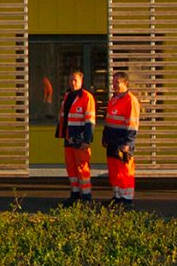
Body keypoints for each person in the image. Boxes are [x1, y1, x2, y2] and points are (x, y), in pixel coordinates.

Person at [57, 69, 95, 204]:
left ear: (81, 81)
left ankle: (86, 197)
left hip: (80, 138)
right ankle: (75, 194)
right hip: (69, 137)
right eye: (70, 80)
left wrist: (87, 139)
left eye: (75, 80)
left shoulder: (86, 97)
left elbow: (90, 121)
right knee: (71, 168)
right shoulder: (68, 96)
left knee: (82, 168)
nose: (73, 83)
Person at [102, 71, 140, 209]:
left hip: (122, 142)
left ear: (125, 83)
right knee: (114, 171)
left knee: (125, 172)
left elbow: (132, 124)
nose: (114, 84)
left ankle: (127, 200)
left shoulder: (130, 100)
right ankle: (117, 197)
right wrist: (105, 138)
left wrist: (127, 144)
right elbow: (109, 121)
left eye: (117, 82)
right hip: (112, 141)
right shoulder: (114, 99)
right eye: (113, 81)